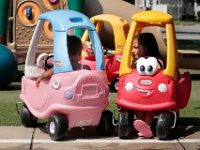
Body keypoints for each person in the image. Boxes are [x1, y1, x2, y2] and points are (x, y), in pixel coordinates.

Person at [131, 33, 165, 138]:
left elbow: (159, 74)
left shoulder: (157, 61)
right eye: (133, 47)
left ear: (147, 48)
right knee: (136, 99)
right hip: (139, 92)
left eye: (137, 47)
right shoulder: (136, 62)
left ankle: (147, 126)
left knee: (148, 100)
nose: (133, 51)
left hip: (154, 94)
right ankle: (143, 125)